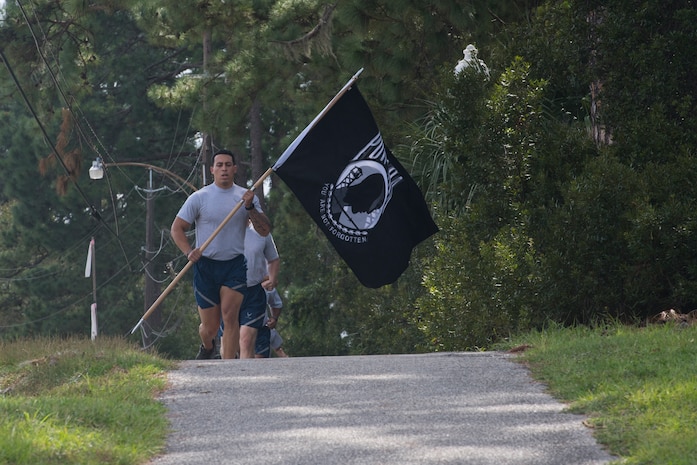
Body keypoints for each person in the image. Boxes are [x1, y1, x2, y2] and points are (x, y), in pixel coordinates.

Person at [170, 149, 271, 360]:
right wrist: (188, 251)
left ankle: (229, 369)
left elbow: (264, 230)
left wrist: (250, 207)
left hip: (234, 265)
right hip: (205, 266)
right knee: (211, 327)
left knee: (230, 316)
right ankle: (208, 346)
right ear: (212, 169)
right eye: (219, 165)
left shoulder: (245, 196)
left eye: (228, 165)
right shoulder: (199, 197)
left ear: (235, 169)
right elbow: (177, 228)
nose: (224, 169)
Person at [238, 221, 280, 358]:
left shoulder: (262, 233)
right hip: (229, 291)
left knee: (245, 339)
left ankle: (245, 376)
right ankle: (231, 375)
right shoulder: (223, 231)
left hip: (253, 292)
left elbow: (273, 259)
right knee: (229, 345)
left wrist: (272, 279)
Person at [255, 288, 285, 358]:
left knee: (258, 361)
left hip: (260, 329)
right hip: (233, 328)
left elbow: (280, 351)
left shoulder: (267, 284)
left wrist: (274, 318)